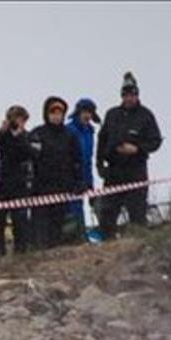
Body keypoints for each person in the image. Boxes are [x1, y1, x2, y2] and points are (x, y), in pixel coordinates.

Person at [96, 74, 163, 240]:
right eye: (126, 95)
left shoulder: (145, 115)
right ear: (122, 96)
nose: (129, 98)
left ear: (137, 95)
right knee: (107, 213)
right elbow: (102, 140)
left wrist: (137, 149)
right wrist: (99, 165)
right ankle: (107, 243)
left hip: (136, 170)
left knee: (137, 213)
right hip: (114, 171)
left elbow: (155, 141)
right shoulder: (112, 115)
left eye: (132, 95)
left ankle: (138, 246)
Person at [29, 96, 83, 248]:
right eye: (53, 111)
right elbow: (29, 160)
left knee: (58, 231)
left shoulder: (70, 135)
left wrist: (79, 181)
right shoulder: (37, 134)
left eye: (60, 112)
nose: (56, 115)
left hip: (63, 189)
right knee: (40, 232)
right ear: (46, 113)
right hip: (40, 191)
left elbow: (78, 161)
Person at [0, 105, 34, 256]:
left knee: (21, 221)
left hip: (21, 184)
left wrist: (18, 137)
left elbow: (31, 153)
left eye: (21, 119)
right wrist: (1, 132)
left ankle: (21, 252)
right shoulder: (2, 136)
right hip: (2, 184)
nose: (18, 122)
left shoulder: (28, 136)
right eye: (15, 119)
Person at [64, 98, 99, 240]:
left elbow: (88, 160)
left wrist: (90, 184)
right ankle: (74, 238)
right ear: (78, 112)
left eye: (90, 112)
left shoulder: (90, 131)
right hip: (70, 179)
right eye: (84, 111)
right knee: (71, 211)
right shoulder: (69, 130)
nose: (87, 115)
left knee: (82, 210)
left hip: (84, 176)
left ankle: (81, 236)